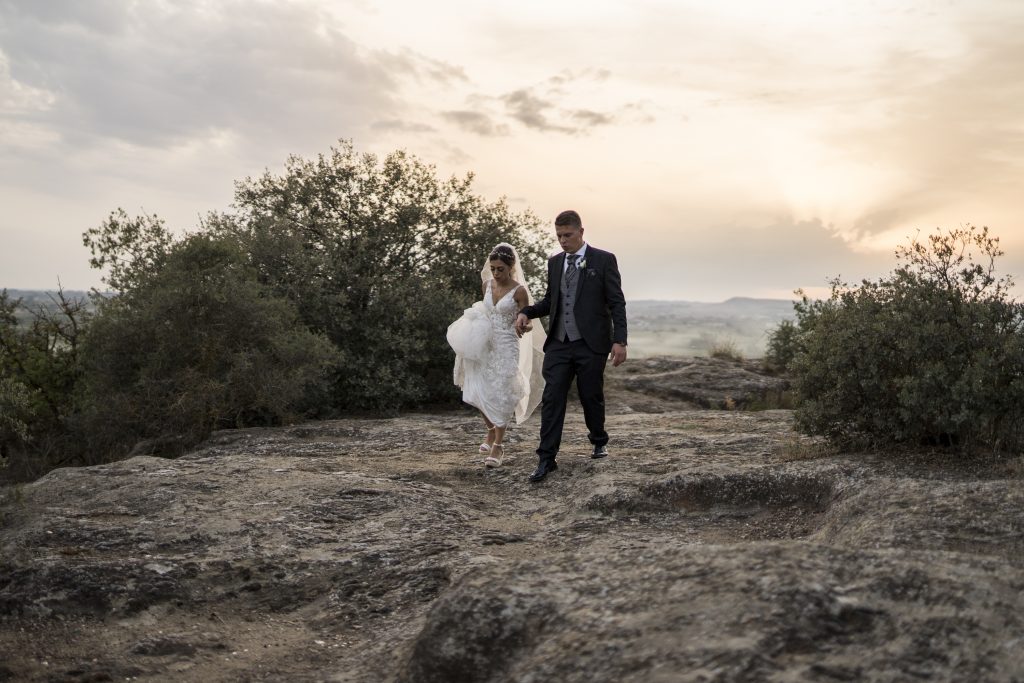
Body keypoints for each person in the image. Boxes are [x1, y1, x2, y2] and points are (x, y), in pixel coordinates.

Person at [515, 210, 627, 482]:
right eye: (559, 236)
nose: (563, 241)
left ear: (581, 232)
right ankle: (546, 458)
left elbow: (616, 302)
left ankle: (599, 440)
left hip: (591, 344)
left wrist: (620, 340)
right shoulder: (554, 263)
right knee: (553, 398)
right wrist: (527, 312)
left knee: (591, 395)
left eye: (568, 235)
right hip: (559, 344)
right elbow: (551, 301)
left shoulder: (603, 260)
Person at [448, 243, 544, 467]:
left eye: (500, 268)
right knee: (478, 389)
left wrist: (524, 326)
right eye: (492, 268)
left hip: (508, 344)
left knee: (502, 392)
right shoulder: (487, 286)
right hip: (486, 343)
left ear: (511, 267)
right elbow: (486, 312)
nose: (496, 273)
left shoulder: (519, 291)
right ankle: (491, 430)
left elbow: (527, 321)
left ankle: (498, 446)